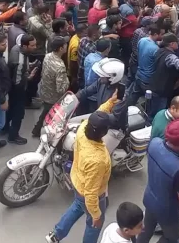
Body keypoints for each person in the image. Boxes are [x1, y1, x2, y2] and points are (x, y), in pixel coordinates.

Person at [45, 91, 118, 243]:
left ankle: (56, 234)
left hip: (77, 181)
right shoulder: (98, 160)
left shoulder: (83, 130)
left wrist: (110, 102)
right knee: (93, 225)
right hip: (92, 193)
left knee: (78, 205)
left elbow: (97, 113)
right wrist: (97, 216)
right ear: (104, 132)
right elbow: (91, 194)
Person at [137, 118, 179, 243]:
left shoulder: (154, 143)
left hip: (149, 199)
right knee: (171, 238)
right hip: (168, 212)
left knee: (146, 230)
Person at [32, 37, 69, 138]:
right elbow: (61, 89)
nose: (67, 46)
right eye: (65, 45)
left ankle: (37, 130)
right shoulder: (60, 66)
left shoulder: (48, 56)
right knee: (50, 115)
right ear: (61, 48)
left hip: (45, 91)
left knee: (46, 111)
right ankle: (40, 131)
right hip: (54, 96)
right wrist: (67, 81)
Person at [6, 34, 37, 145]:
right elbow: (17, 81)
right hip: (17, 90)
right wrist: (29, 77)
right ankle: (13, 136)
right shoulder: (19, 61)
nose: (35, 47)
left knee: (11, 108)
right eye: (32, 45)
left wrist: (28, 67)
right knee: (18, 113)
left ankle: (5, 127)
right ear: (24, 46)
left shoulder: (17, 49)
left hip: (11, 87)